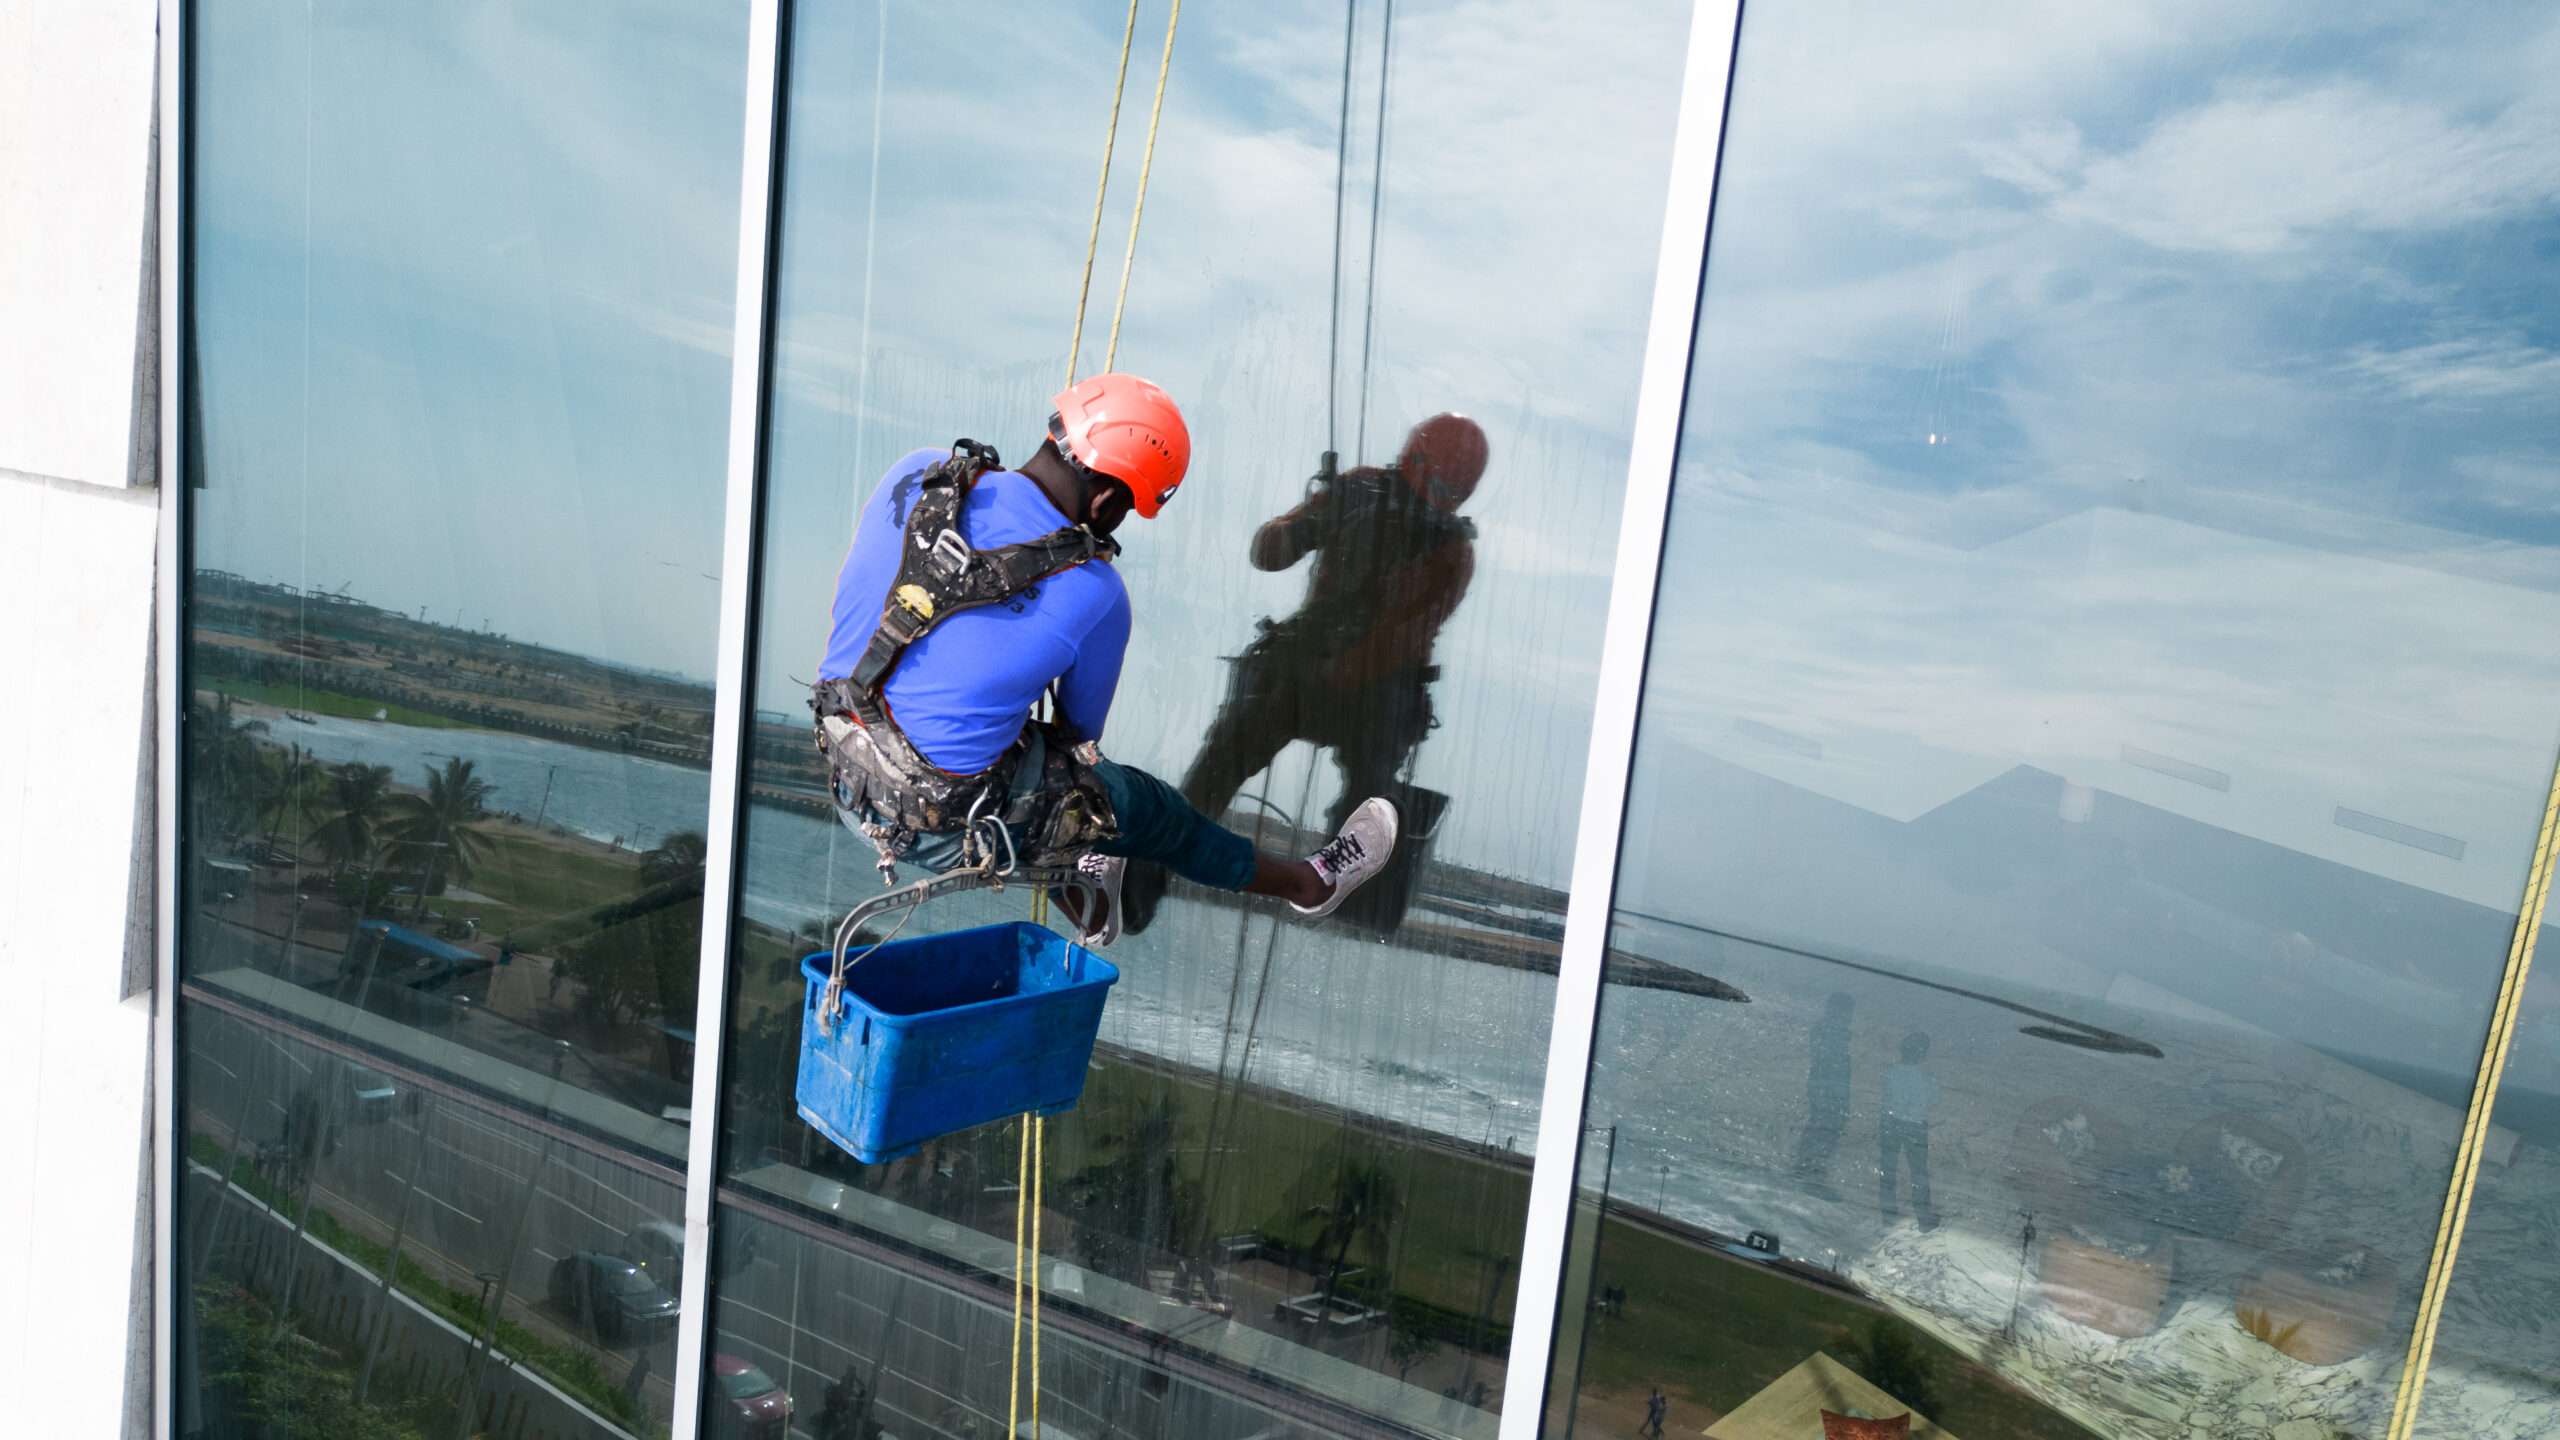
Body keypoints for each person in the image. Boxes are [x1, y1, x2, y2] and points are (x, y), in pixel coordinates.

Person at [811, 372, 1400, 944]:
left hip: (846, 773)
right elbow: (1078, 736)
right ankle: (1311, 882)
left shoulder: (922, 470)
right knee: (1142, 806)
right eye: (1126, 512)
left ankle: (1089, 901)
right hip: (930, 826)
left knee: (1017, 760)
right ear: (1107, 502)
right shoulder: (1092, 588)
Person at [1121, 413, 1485, 933]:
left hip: (1370, 687)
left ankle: (1345, 881)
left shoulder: (1451, 552)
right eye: (1433, 478)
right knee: (1217, 768)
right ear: (1411, 459)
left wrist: (1334, 668)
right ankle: (1143, 877)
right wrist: (1305, 523)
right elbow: (1268, 552)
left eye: (1450, 489)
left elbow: (1401, 636)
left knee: (1369, 798)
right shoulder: (1363, 492)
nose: (1435, 496)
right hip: (1315, 669)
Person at [1793, 992, 1855, 1197]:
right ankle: (1809, 1169)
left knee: (1825, 1125)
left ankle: (1810, 1168)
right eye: (1847, 1012)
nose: (1849, 1016)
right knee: (1825, 1125)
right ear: (1838, 1010)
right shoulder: (1830, 1030)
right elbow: (1825, 1060)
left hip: (1830, 1085)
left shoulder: (1830, 1030)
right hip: (1827, 1085)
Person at [1879, 1029, 1939, 1229]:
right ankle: (1923, 1217)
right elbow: (1934, 1100)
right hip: (1915, 1126)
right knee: (1919, 1173)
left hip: (1891, 1123)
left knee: (1888, 1170)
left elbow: (1886, 1097)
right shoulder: (1927, 1078)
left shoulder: (1890, 1072)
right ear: (1923, 1054)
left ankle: (1888, 1215)